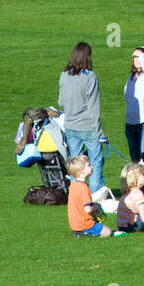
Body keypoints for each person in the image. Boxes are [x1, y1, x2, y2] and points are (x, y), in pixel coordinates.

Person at [58, 42, 105, 194]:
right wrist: (99, 132)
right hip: (88, 127)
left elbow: (60, 102)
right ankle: (95, 197)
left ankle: (76, 196)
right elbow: (93, 108)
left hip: (70, 126)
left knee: (75, 165)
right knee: (96, 163)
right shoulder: (90, 77)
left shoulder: (64, 75)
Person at [66, 154, 111, 238]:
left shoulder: (73, 185)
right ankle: (84, 233)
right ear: (81, 171)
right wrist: (97, 205)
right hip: (85, 224)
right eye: (89, 165)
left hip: (74, 224)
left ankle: (79, 232)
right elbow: (88, 209)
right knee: (108, 232)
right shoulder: (84, 188)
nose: (91, 166)